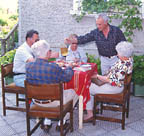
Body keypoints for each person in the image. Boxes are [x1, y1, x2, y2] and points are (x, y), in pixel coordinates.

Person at [26, 40, 78, 132]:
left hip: (36, 101)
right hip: (53, 102)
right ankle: (62, 121)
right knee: (75, 92)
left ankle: (47, 121)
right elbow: (67, 77)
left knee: (45, 91)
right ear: (47, 53)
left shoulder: (28, 66)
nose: (50, 52)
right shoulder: (53, 67)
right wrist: (70, 67)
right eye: (49, 50)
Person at [83, 41, 134, 122]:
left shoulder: (123, 65)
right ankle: (93, 107)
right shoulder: (129, 59)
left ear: (124, 56)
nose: (117, 55)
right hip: (118, 85)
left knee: (87, 87)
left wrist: (97, 76)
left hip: (115, 87)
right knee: (92, 83)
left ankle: (90, 114)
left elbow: (111, 80)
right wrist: (105, 75)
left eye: (118, 53)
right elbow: (113, 74)